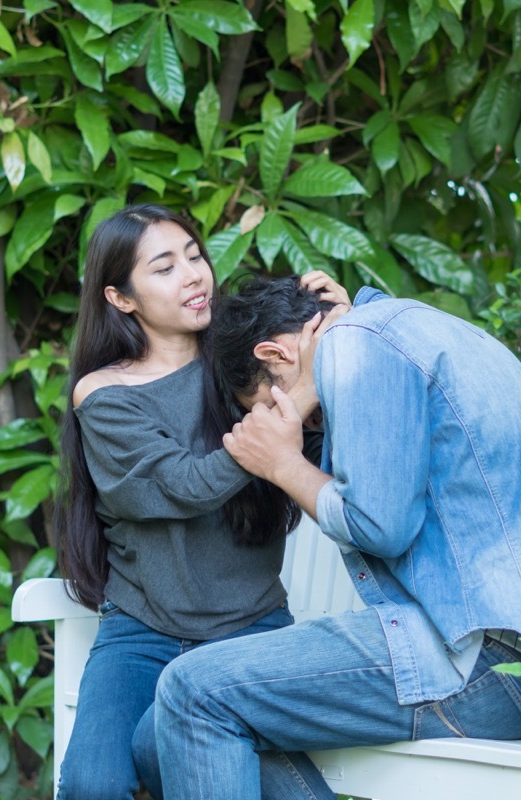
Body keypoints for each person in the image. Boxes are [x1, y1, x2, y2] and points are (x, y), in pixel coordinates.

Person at [153, 276, 521, 800]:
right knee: (168, 730)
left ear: (274, 354)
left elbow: (381, 527)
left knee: (193, 692)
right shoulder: (424, 328)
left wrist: (283, 463)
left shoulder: (358, 342)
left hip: (488, 665)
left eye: (268, 402)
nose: (304, 425)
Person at [52, 206, 345, 800]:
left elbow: (331, 436)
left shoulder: (241, 359)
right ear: (121, 297)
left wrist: (341, 330)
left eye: (194, 255)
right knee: (92, 783)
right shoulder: (103, 393)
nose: (193, 276)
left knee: (159, 746)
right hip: (142, 631)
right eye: (164, 267)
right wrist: (297, 396)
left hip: (250, 629)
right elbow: (178, 486)